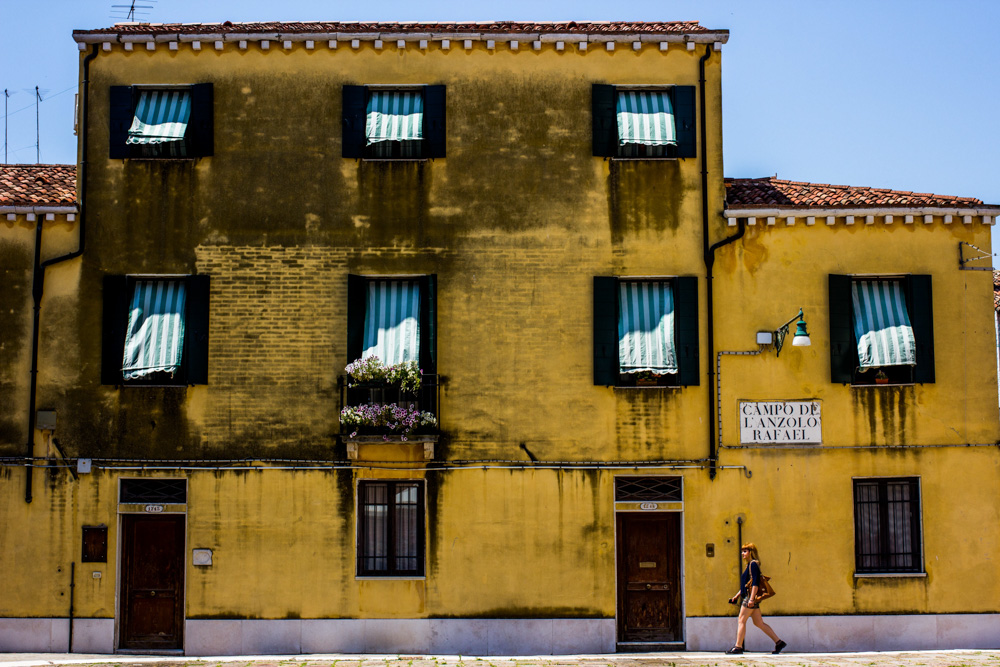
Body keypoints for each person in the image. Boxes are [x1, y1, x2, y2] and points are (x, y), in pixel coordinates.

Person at [725, 542, 787, 654]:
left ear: (751, 552)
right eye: (742, 551)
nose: (742, 553)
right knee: (759, 623)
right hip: (749, 597)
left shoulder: (753, 564)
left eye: (745, 551)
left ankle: (738, 647)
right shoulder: (749, 565)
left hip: (749, 598)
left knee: (741, 620)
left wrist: (752, 599)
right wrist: (736, 596)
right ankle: (779, 642)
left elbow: (755, 583)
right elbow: (746, 585)